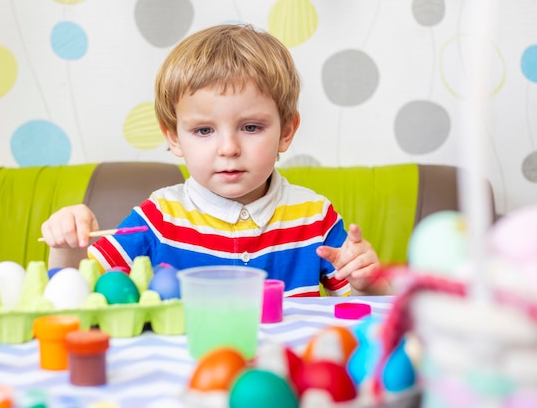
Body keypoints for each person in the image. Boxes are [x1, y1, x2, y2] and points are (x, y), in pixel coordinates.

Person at [41, 24, 389, 296]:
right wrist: (66, 247)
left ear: (286, 131)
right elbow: (76, 291)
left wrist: (366, 280)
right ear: (174, 138)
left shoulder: (315, 217)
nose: (228, 148)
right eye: (204, 131)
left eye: (250, 127)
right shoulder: (159, 217)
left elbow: (366, 305)